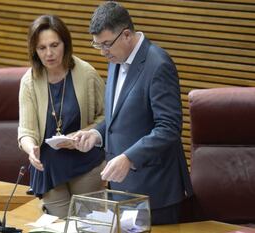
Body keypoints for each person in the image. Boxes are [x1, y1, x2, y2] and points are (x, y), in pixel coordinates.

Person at [73, 2, 193, 225]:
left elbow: (168, 128)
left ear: (126, 34)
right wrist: (96, 134)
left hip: (155, 193)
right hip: (123, 190)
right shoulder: (116, 58)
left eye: (106, 44)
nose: (103, 52)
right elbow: (121, 115)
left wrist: (129, 158)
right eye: (97, 45)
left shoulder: (158, 64)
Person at [18, 14, 106, 218]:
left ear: (65, 44)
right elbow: (26, 131)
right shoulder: (28, 82)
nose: (49, 53)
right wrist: (31, 149)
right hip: (49, 168)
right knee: (59, 226)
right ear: (35, 51)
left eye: (54, 45)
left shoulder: (87, 74)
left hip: (86, 163)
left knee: (89, 226)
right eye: (42, 48)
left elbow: (107, 118)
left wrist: (83, 134)